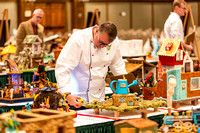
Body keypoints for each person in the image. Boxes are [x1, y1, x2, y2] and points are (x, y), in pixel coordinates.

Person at [55, 22, 127, 108]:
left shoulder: (114, 41)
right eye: (101, 42)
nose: (103, 47)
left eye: (106, 45)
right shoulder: (79, 39)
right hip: (76, 99)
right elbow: (63, 67)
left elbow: (117, 65)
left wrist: (125, 85)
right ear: (96, 31)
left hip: (100, 100)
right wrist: (66, 94)